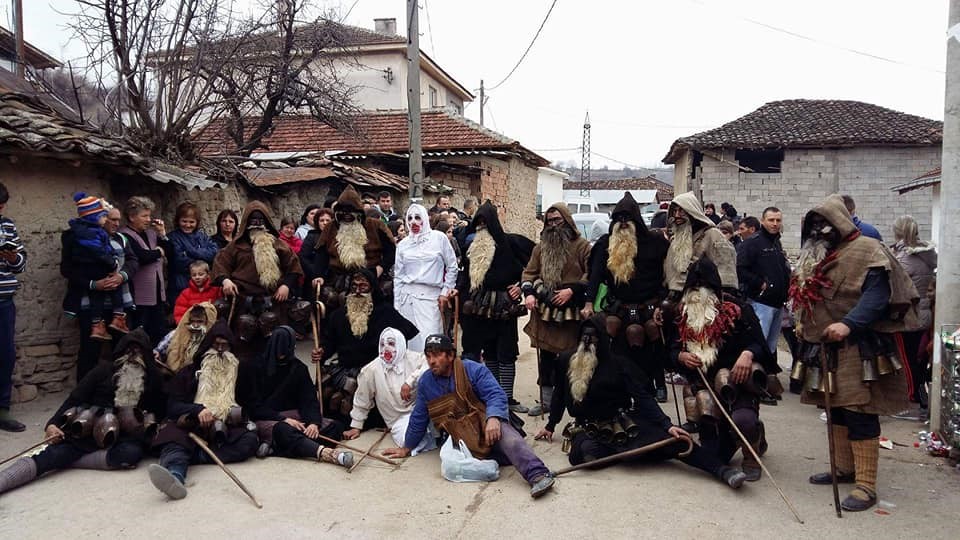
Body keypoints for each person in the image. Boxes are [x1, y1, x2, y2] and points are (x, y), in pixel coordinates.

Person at [790, 194, 917, 511]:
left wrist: (848, 324)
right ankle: (844, 470)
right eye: (814, 224)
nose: (819, 230)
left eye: (824, 223)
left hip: (859, 345)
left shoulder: (868, 249)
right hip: (823, 346)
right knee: (836, 410)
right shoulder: (818, 255)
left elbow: (877, 296)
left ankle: (866, 486)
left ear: (840, 222)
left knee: (860, 411)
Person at [534, 317, 747, 489]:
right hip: (587, 426)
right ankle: (633, 453)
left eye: (593, 338)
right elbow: (560, 394)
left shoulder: (618, 364)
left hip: (622, 421)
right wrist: (551, 425)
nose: (588, 343)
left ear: (603, 339)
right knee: (583, 455)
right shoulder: (565, 360)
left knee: (674, 442)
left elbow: (643, 396)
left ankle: (722, 470)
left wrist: (666, 424)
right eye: (584, 338)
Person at [383, 334, 555, 498]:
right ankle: (492, 461)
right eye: (428, 357)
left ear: (450, 356)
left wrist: (494, 418)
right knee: (450, 465)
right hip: (459, 436)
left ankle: (538, 475)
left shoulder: (473, 370)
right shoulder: (426, 382)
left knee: (511, 440)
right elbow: (418, 418)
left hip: (486, 425)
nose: (431, 361)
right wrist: (406, 447)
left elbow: (496, 394)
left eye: (436, 355)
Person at [0, 329, 165, 494]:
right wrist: (52, 424)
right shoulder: (102, 370)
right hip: (90, 427)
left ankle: (70, 461)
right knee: (52, 456)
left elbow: (160, 408)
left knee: (131, 453)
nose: (133, 355)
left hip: (124, 435)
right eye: (129, 349)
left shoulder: (153, 378)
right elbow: (75, 398)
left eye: (138, 350)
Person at [669, 257, 779, 481]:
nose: (699, 294)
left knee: (744, 422)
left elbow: (761, 345)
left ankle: (751, 453)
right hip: (704, 386)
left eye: (705, 288)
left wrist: (748, 354)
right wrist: (679, 355)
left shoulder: (738, 311)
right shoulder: (681, 315)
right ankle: (736, 434)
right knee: (715, 455)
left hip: (736, 381)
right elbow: (668, 352)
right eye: (694, 289)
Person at [148, 321, 265, 500]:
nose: (219, 350)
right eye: (215, 344)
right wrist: (197, 409)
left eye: (224, 345)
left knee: (248, 441)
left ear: (231, 346)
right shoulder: (190, 372)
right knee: (173, 439)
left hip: (225, 427)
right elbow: (173, 405)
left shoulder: (241, 371)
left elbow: (251, 403)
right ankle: (176, 477)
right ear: (208, 344)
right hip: (192, 424)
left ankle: (198, 455)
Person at [582, 193, 670, 402]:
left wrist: (664, 301)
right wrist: (588, 302)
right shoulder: (605, 244)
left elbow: (669, 275)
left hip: (650, 306)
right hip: (619, 307)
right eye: (619, 219)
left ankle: (659, 383)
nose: (623, 223)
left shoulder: (655, 242)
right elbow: (594, 276)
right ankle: (619, 386)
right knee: (616, 346)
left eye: (627, 219)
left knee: (653, 344)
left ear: (636, 221)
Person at [457, 201, 535, 412]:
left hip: (505, 307)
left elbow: (535, 264)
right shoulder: (472, 248)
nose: (482, 226)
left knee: (506, 352)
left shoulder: (511, 242)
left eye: (485, 222)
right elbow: (464, 275)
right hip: (481, 307)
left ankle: (507, 398)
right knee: (489, 352)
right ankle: (494, 395)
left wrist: (521, 286)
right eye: (478, 222)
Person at [316, 268, 417, 420]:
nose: (357, 291)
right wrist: (322, 351)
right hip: (346, 368)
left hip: (375, 369)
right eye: (354, 286)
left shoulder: (385, 312)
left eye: (363, 287)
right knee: (329, 395)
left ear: (372, 288)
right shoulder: (338, 315)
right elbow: (329, 341)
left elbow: (404, 336)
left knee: (356, 392)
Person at [521, 203, 591, 417]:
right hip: (546, 308)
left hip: (571, 310)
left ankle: (573, 400)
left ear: (567, 220)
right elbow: (528, 274)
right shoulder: (540, 247)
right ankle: (547, 402)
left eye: (557, 220)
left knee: (572, 356)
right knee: (547, 358)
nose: (553, 225)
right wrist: (530, 293)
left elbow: (592, 275)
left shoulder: (582, 246)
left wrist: (573, 290)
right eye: (549, 221)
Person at [254, 325, 352, 466]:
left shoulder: (298, 368)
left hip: (296, 419)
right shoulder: (255, 367)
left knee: (335, 427)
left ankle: (278, 447)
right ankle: (324, 453)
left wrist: (313, 423)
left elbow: (308, 400)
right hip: (269, 418)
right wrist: (283, 419)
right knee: (283, 430)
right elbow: (253, 406)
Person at [211, 200, 303, 351]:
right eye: (253, 220)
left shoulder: (278, 244)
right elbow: (220, 264)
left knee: (273, 343)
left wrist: (286, 285)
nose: (257, 224)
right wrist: (225, 280)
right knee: (244, 343)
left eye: (261, 220)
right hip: (243, 299)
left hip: (273, 299)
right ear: (246, 223)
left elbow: (293, 266)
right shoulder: (235, 246)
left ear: (266, 222)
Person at [341, 327, 435, 454]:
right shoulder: (371, 370)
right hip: (398, 420)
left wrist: (410, 381)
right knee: (409, 438)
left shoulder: (413, 358)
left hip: (421, 410)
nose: (386, 348)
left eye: (391, 344)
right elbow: (362, 398)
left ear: (400, 344)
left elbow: (430, 364)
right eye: (382, 344)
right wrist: (356, 425)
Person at [301, 187, 395, 311]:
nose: (346, 215)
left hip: (371, 276)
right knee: (332, 299)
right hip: (339, 279)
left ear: (359, 212)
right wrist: (318, 275)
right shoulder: (330, 228)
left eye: (350, 211)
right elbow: (321, 254)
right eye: (342, 212)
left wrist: (380, 268)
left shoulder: (375, 225)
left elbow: (391, 251)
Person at [62, 193, 128, 340]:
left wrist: (120, 276)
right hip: (86, 298)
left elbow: (132, 261)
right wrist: (93, 284)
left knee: (119, 345)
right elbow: (67, 269)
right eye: (110, 218)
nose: (116, 224)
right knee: (90, 349)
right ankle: (98, 325)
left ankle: (113, 320)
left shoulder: (120, 238)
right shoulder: (75, 237)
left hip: (114, 294)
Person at [394, 204, 458, 353]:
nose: (413, 222)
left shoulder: (439, 238)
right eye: (409, 218)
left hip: (431, 298)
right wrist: (397, 305)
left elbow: (452, 266)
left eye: (417, 217)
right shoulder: (403, 245)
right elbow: (398, 277)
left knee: (431, 341)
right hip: (407, 299)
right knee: (410, 343)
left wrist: (445, 292)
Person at [889, 215, 937, 408]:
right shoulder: (927, 255)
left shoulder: (904, 259)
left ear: (898, 232)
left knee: (906, 358)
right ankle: (918, 393)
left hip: (908, 315)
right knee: (917, 357)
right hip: (924, 313)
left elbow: (894, 285)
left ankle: (911, 396)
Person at [736, 207, 791, 356]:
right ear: (762, 221)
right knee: (757, 345)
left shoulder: (776, 243)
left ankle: (768, 374)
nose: (774, 223)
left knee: (770, 347)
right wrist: (761, 284)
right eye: (771, 220)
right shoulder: (751, 243)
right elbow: (740, 270)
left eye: (778, 220)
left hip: (778, 303)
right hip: (761, 303)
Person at [119, 196, 172, 346]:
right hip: (139, 296)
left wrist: (162, 234)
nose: (148, 219)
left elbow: (170, 250)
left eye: (149, 215)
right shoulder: (125, 235)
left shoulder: (151, 233)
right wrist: (158, 253)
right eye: (144, 216)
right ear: (131, 216)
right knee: (139, 334)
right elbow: (141, 256)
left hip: (157, 294)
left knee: (158, 331)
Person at [664, 192, 738, 295]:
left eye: (682, 211)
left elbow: (726, 273)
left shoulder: (713, 235)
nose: (677, 216)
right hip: (675, 300)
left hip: (701, 300)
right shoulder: (677, 239)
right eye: (675, 211)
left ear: (692, 212)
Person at [0, 181, 26, 432]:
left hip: (4, 302)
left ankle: (3, 411)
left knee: (5, 356)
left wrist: (12, 257)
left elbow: (20, 264)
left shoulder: (7, 226)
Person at [167, 201, 218, 303]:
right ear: (178, 221)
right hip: (181, 285)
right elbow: (179, 261)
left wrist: (191, 251)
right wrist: (203, 258)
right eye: (184, 221)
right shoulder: (173, 237)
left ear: (197, 222)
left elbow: (214, 252)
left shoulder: (202, 236)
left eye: (191, 222)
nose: (188, 225)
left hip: (203, 288)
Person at [155, 302, 219, 376]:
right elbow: (158, 350)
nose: (195, 325)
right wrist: (157, 353)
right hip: (173, 375)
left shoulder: (214, 340)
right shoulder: (177, 334)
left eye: (200, 322)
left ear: (208, 322)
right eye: (192, 321)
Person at [172, 260, 222, 324]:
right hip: (192, 326)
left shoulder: (216, 289)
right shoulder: (185, 293)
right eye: (194, 275)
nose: (197, 277)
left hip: (212, 325)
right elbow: (179, 313)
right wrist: (183, 325)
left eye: (201, 274)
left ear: (208, 274)